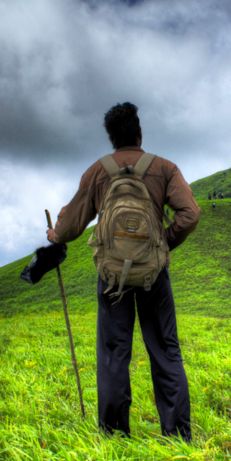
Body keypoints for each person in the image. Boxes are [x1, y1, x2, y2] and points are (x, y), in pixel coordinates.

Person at [47, 102, 200, 441]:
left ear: (111, 138)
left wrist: (55, 235)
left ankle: (115, 436)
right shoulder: (164, 168)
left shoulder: (97, 172)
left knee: (114, 354)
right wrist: (161, 245)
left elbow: (72, 224)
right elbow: (190, 214)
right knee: (165, 350)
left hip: (112, 276)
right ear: (139, 133)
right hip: (153, 274)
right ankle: (177, 437)